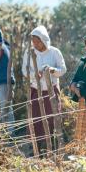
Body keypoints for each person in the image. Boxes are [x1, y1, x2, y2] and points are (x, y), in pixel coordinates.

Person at [22, 25, 67, 155]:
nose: (35, 44)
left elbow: (63, 70)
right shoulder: (29, 52)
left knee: (51, 119)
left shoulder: (54, 52)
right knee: (35, 120)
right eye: (33, 41)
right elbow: (25, 70)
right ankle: (34, 149)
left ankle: (50, 148)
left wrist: (52, 70)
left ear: (44, 40)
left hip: (51, 91)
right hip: (36, 90)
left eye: (38, 41)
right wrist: (34, 75)